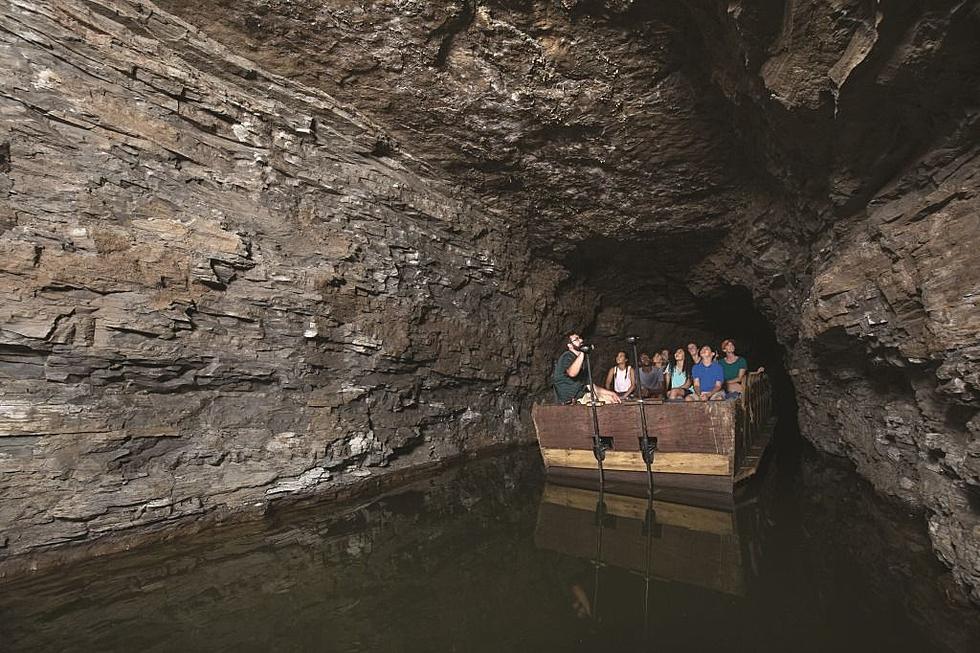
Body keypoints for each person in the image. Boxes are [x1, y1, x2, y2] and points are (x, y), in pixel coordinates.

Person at [552, 332, 622, 405]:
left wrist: (611, 393)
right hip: (572, 398)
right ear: (570, 345)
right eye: (576, 339)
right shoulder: (567, 357)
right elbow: (572, 373)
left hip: (582, 395)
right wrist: (583, 352)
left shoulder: (582, 361)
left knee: (612, 399)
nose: (581, 340)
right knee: (608, 402)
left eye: (580, 338)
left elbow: (591, 386)